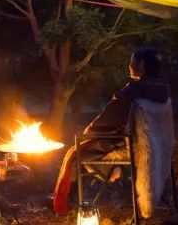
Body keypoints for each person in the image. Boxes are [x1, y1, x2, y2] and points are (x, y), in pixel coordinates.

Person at [53, 47, 170, 216]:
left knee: (76, 154)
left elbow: (107, 119)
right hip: (158, 146)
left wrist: (89, 131)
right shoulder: (163, 90)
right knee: (85, 148)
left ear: (142, 65)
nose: (129, 65)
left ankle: (70, 203)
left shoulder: (131, 91)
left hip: (130, 148)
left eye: (132, 61)